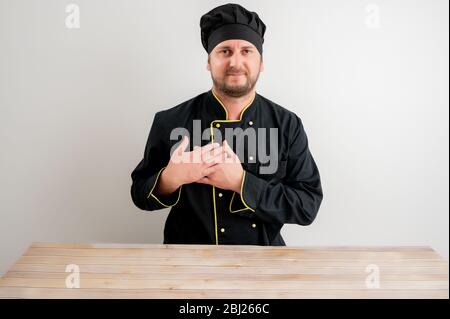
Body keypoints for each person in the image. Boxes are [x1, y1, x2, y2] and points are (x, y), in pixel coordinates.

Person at [131, 3, 323, 246]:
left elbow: (307, 205)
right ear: (209, 62)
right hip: (187, 262)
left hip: (264, 263)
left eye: (246, 51)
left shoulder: (287, 125)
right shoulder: (170, 121)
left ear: (261, 63)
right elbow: (139, 194)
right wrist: (170, 177)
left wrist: (241, 183)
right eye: (224, 51)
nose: (235, 62)